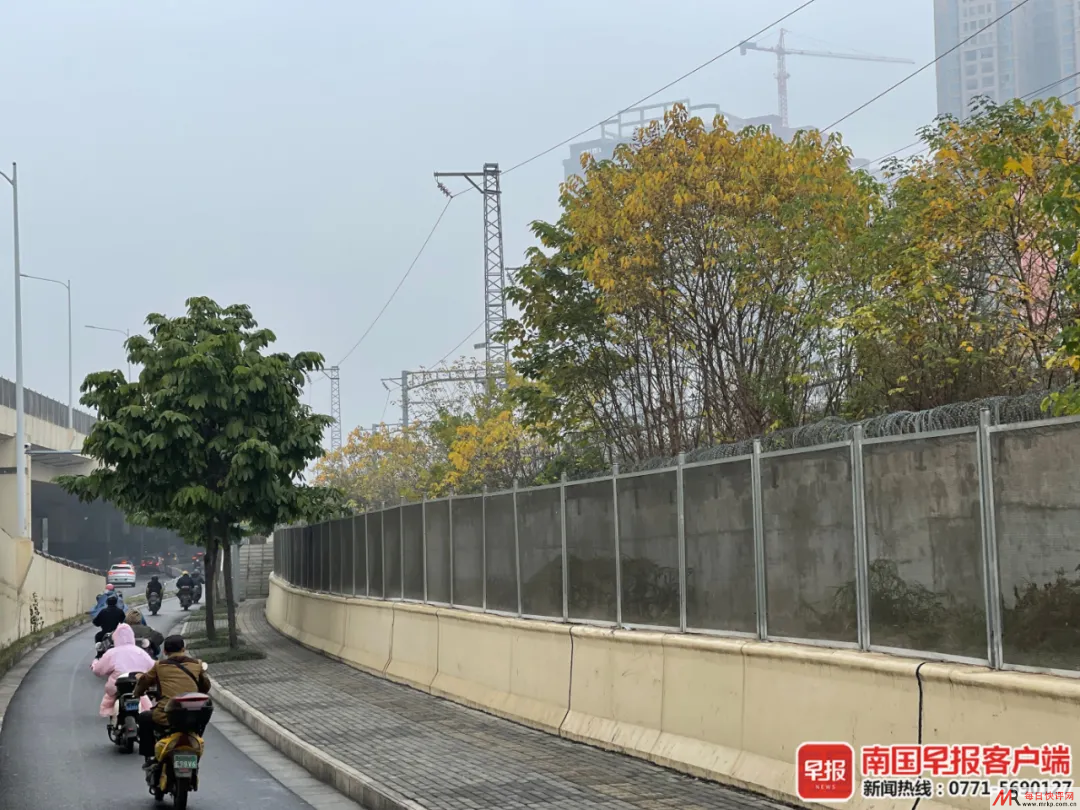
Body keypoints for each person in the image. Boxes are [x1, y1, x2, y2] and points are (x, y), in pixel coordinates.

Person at [132, 635, 212, 771]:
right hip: (194, 716)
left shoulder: (159, 666)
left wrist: (137, 693)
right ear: (183, 649)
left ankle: (151, 756)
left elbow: (144, 681)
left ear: (164, 652)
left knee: (144, 718)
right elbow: (205, 687)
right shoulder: (196, 664)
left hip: (166, 715)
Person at [90, 623, 155, 718]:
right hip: (138, 685)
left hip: (117, 686)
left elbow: (98, 671)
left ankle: (109, 712)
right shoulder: (140, 651)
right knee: (145, 700)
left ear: (115, 637)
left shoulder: (111, 653)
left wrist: (95, 664)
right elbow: (153, 667)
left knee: (109, 698)